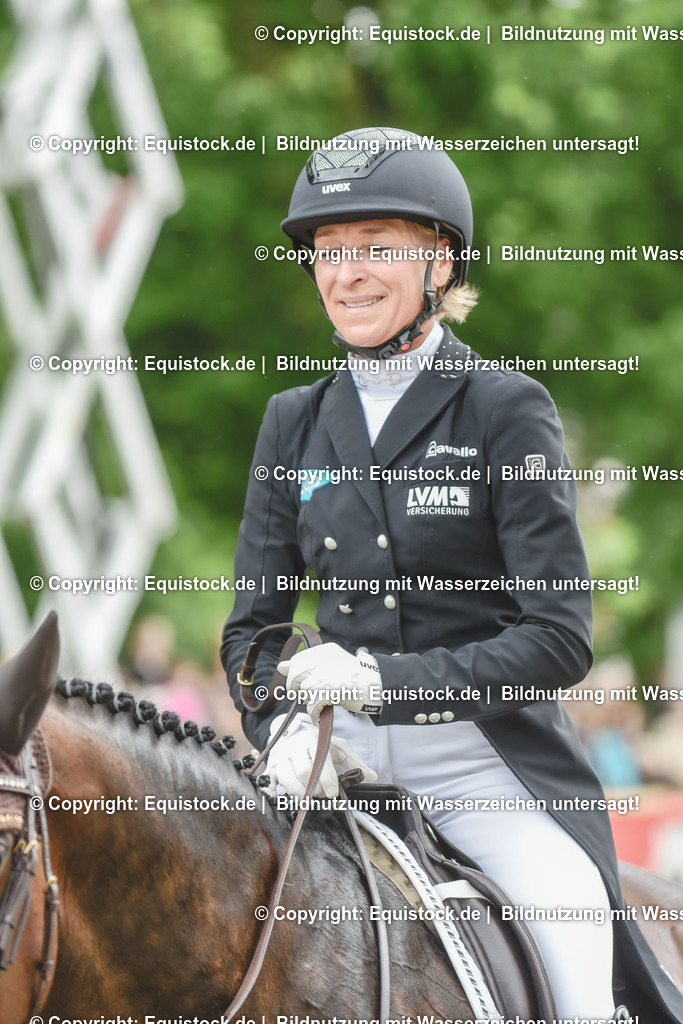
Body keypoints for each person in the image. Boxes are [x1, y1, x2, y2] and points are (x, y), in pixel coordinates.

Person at [221, 126, 683, 1021]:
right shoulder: (291, 423)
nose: (343, 273)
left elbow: (559, 639)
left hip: (486, 771)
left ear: (438, 259)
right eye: (326, 252)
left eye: (374, 248)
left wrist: (380, 679)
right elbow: (253, 630)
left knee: (576, 964)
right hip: (331, 769)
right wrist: (277, 726)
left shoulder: (506, 410)